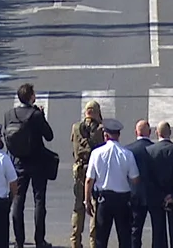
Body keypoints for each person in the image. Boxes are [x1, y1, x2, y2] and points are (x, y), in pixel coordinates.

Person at [5, 83, 55, 248]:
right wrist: (41, 115)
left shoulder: (9, 114)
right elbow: (49, 136)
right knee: (39, 201)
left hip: (18, 163)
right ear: (31, 97)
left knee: (18, 202)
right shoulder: (35, 115)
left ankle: (19, 241)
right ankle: (39, 240)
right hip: (37, 163)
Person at [86, 118, 138, 248]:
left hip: (104, 200)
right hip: (122, 200)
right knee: (125, 238)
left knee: (101, 239)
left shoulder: (96, 153)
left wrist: (87, 201)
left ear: (105, 135)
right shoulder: (127, 154)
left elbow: (89, 180)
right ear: (118, 135)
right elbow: (135, 179)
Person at [145, 122, 173, 248]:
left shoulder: (149, 151)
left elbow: (148, 178)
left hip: (156, 199)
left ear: (157, 133)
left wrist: (160, 196)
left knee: (158, 234)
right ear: (170, 133)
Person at [71, 101, 106, 248]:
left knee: (78, 208)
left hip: (79, 170)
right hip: (95, 172)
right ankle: (94, 243)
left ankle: (75, 241)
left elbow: (74, 149)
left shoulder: (76, 127)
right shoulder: (100, 129)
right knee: (94, 208)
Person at [126, 120, 158, 248]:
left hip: (135, 194)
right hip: (154, 194)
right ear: (149, 133)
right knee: (158, 228)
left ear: (135, 132)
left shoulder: (128, 150)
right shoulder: (155, 149)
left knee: (135, 229)